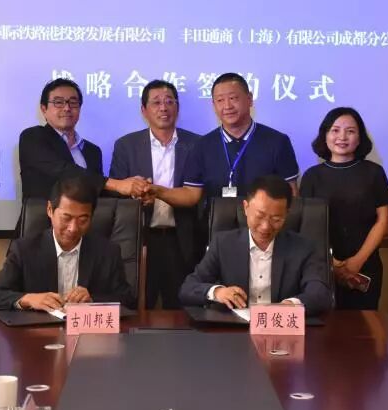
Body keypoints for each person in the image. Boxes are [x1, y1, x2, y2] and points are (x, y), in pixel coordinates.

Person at [179, 175, 331, 317]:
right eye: (259, 216)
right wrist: (217, 292)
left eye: (276, 219)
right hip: (234, 329)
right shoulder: (223, 244)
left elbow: (320, 294)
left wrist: (291, 305)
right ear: (246, 208)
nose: (265, 227)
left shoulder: (304, 248)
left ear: (287, 214)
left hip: (282, 327)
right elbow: (188, 288)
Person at [147, 73, 300, 210]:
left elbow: (291, 193)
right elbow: (191, 194)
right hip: (216, 229)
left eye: (233, 98)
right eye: (220, 100)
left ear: (249, 99)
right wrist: (157, 190)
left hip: (263, 227)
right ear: (214, 105)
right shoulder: (202, 146)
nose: (227, 106)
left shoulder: (277, 142)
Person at [109, 80, 200, 309]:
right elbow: (116, 197)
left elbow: (200, 195)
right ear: (144, 110)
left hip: (182, 239)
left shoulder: (197, 144)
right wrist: (137, 194)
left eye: (169, 102)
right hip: (141, 239)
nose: (163, 108)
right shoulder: (126, 146)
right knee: (137, 307)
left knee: (182, 310)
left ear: (177, 107)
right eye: (156, 102)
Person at [0, 174, 135, 311]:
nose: (73, 228)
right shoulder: (24, 249)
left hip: (87, 332)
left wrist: (92, 300)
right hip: (39, 331)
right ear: (50, 210)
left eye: (83, 220)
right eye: (66, 218)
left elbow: (128, 300)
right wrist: (28, 299)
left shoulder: (107, 252)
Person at [300, 107, 388, 310]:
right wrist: (331, 262)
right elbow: (306, 226)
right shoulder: (311, 176)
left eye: (350, 131)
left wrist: (357, 260)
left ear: (360, 138)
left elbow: (382, 220)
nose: (342, 137)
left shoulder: (374, 173)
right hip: (320, 267)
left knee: (364, 324)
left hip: (365, 265)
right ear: (325, 135)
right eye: (335, 130)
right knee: (324, 325)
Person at [19, 78, 149, 203]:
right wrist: (117, 184)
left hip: (87, 219)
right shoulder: (32, 137)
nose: (67, 108)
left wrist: (137, 190)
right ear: (44, 109)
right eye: (58, 102)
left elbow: (99, 191)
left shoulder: (92, 151)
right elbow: (64, 172)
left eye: (73, 102)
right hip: (43, 218)